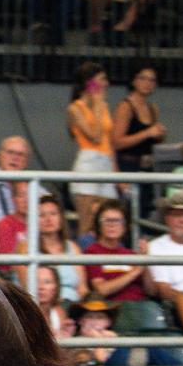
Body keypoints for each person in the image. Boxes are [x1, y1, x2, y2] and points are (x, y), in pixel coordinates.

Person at [67, 61, 119, 236]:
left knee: (109, 218)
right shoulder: (75, 108)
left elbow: (108, 140)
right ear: (89, 83)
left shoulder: (104, 106)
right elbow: (95, 136)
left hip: (106, 163)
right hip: (88, 162)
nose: (106, 84)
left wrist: (116, 173)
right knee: (87, 223)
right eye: (102, 80)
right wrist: (97, 104)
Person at [15, 194, 87, 303]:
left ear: (61, 218)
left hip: (73, 307)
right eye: (41, 215)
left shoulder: (73, 247)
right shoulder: (25, 248)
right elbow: (27, 287)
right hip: (40, 307)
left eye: (53, 214)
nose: (48, 219)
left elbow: (82, 288)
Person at [147, 189, 183, 335]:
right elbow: (164, 291)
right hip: (182, 306)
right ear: (167, 218)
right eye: (177, 215)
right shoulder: (155, 247)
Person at [84, 199, 153, 302]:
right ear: (99, 226)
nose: (112, 225)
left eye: (117, 221)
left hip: (140, 304)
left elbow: (151, 291)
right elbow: (102, 289)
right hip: (112, 307)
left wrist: (145, 261)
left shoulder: (131, 255)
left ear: (125, 227)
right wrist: (135, 271)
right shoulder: (92, 252)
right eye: (107, 220)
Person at [112, 64, 166, 174]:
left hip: (146, 166)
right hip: (127, 165)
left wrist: (159, 135)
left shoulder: (153, 109)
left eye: (152, 80)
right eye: (143, 78)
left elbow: (151, 142)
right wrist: (147, 133)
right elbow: (116, 142)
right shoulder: (125, 107)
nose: (147, 83)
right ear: (134, 81)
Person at [35, 265, 74, 338]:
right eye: (36, 281)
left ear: (56, 286)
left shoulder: (59, 312)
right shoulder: (22, 312)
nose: (41, 287)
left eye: (47, 282)